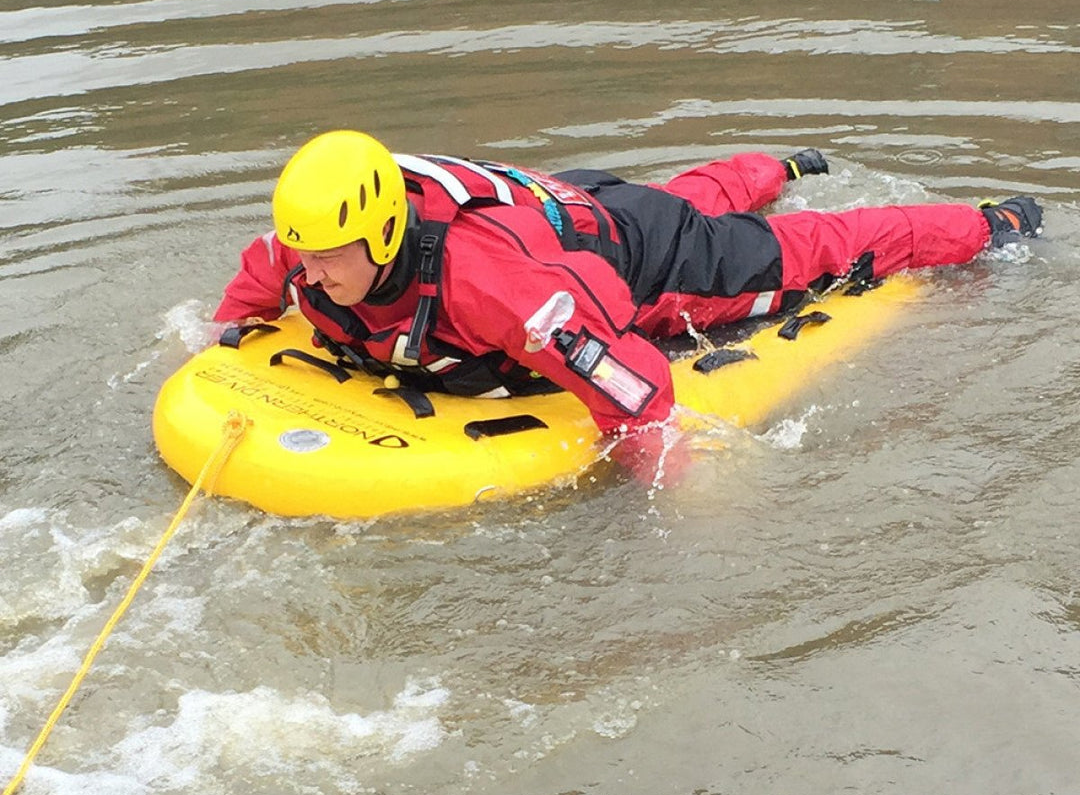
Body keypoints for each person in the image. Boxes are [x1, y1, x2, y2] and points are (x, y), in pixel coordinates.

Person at [216, 130, 1042, 472]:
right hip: (567, 214)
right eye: (303, 255)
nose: (310, 276)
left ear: (387, 235)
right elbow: (242, 305)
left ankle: (984, 222)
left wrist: (666, 483)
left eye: (328, 260)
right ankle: (772, 167)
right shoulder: (296, 248)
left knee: (803, 258)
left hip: (634, 256)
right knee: (668, 195)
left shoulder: (495, 288)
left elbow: (637, 390)